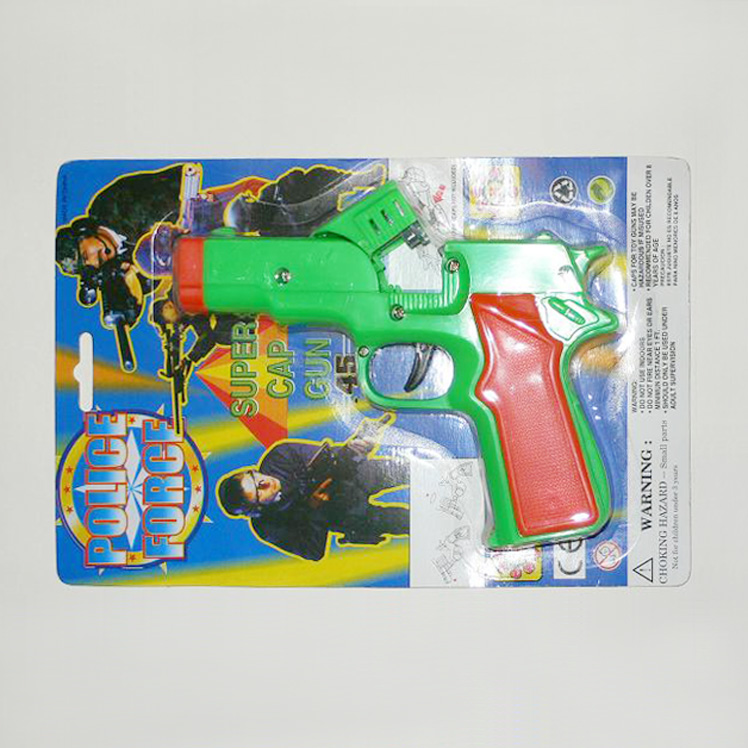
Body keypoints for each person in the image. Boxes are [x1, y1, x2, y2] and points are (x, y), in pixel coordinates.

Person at [217, 419, 409, 561]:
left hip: (355, 476)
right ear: (257, 510)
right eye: (258, 492)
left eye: (254, 477)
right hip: (347, 515)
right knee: (407, 521)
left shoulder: (280, 456)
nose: (264, 482)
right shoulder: (267, 527)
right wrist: (315, 509)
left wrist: (356, 448)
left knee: (409, 470)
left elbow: (331, 458)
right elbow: (313, 552)